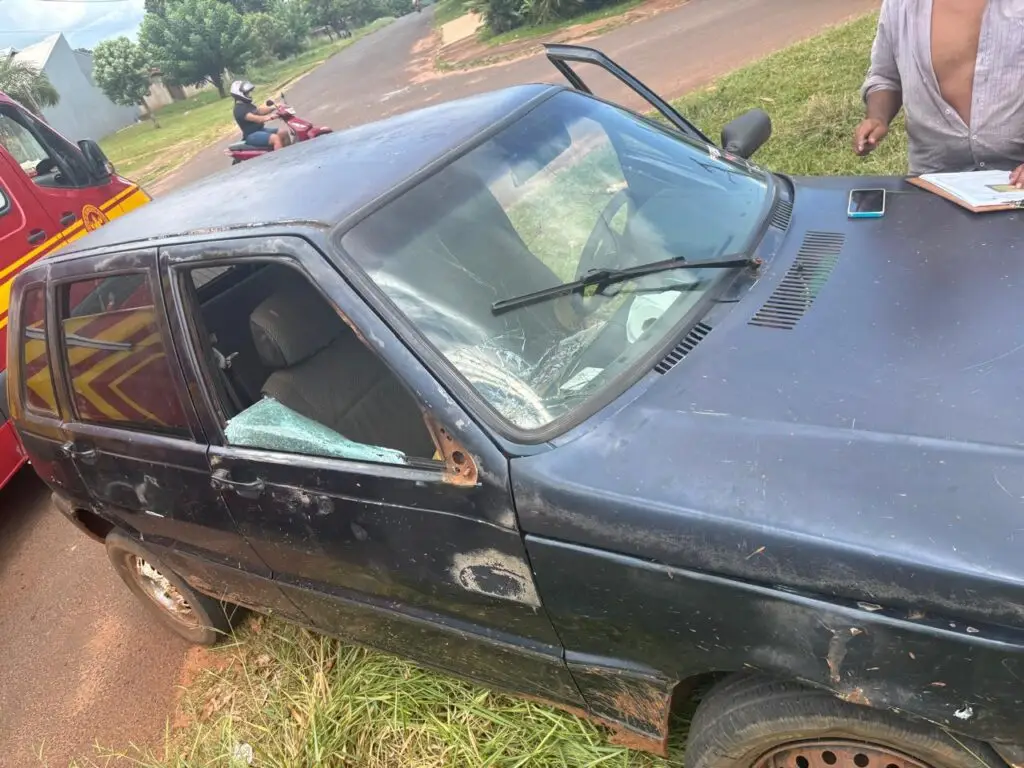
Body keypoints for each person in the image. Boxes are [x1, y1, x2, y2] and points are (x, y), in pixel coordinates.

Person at [854, 0, 1024, 186]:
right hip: (933, 181)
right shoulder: (900, 5)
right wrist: (878, 118)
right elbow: (885, 76)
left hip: (1014, 180)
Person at [231, 80, 291, 151]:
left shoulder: (246, 105)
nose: (249, 94)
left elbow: (259, 111)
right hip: (251, 135)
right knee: (275, 138)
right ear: (240, 94)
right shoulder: (239, 110)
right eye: (247, 93)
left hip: (260, 130)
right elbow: (256, 118)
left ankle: (289, 153)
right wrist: (271, 116)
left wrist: (276, 106)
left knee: (283, 132)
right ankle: (280, 160)